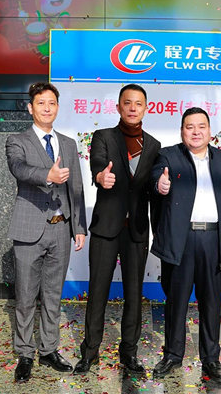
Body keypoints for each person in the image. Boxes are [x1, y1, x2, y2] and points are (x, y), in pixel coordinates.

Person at [150, 107, 221, 382]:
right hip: (180, 240)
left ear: (210, 131)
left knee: (211, 302)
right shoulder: (168, 156)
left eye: (201, 126)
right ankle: (172, 355)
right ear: (182, 131)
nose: (196, 132)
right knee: (176, 301)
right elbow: (155, 177)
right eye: (189, 127)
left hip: (212, 240)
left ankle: (211, 359)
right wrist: (160, 184)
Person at [74, 84, 161, 374]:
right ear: (118, 107)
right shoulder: (103, 136)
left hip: (136, 229)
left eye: (138, 103)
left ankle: (129, 353)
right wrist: (101, 176)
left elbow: (152, 183)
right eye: (127, 103)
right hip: (106, 227)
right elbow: (98, 164)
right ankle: (90, 351)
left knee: (134, 294)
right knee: (97, 291)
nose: (133, 108)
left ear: (146, 108)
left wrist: (161, 186)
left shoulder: (154, 145)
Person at [6, 82, 87, 383]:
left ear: (58, 107)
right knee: (26, 296)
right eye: (41, 103)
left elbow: (76, 187)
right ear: (31, 108)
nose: (47, 108)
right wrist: (48, 176)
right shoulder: (17, 140)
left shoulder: (68, 144)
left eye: (52, 103)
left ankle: (49, 350)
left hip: (60, 229)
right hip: (28, 229)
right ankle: (25, 353)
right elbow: (19, 169)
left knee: (53, 295)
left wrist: (78, 226)